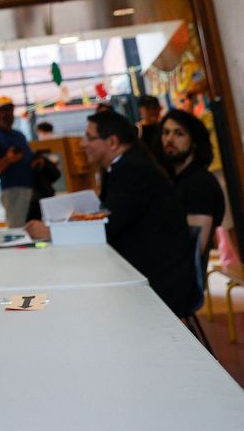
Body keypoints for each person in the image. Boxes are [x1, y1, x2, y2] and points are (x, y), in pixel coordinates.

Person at [26, 111, 196, 316]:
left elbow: (108, 226)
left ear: (112, 142)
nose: (82, 144)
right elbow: (112, 218)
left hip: (159, 281)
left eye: (89, 137)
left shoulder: (130, 170)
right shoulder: (122, 166)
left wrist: (52, 232)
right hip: (148, 270)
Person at [161, 109, 225, 258]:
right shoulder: (174, 179)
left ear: (194, 142)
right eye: (166, 132)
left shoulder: (200, 183)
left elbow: (193, 249)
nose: (169, 139)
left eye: (179, 134)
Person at [0, 96, 34, 228]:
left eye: (10, 109)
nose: (8, 114)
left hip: (31, 187)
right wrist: (7, 160)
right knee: (17, 228)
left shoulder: (19, 135)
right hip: (13, 190)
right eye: (3, 110)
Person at [137, 95, 166, 166]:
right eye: (148, 108)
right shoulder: (137, 130)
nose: (152, 111)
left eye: (155, 107)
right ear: (140, 111)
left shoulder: (165, 127)